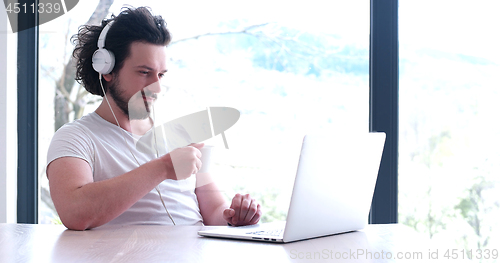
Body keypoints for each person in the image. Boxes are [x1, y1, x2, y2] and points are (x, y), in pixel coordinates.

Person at [46, 6, 262, 230]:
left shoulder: (180, 136)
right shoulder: (74, 138)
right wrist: (162, 168)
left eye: (160, 75)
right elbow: (75, 213)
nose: (156, 87)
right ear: (106, 69)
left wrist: (236, 217)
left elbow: (216, 213)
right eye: (144, 72)